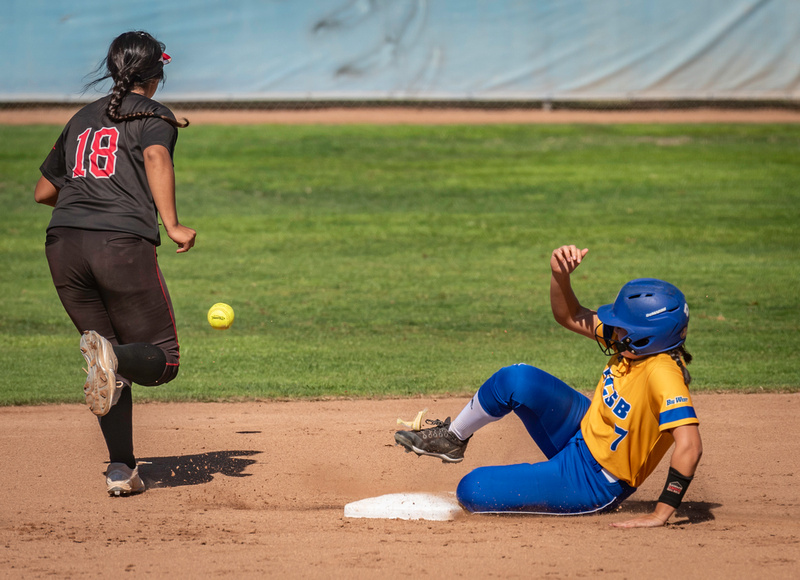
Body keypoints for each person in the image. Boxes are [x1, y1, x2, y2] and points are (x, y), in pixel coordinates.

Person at [395, 245, 702, 528]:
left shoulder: (663, 373)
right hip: (584, 427)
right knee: (516, 379)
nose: (613, 329)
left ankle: (558, 486)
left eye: (622, 326)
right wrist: (560, 277)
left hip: (591, 481)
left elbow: (689, 445)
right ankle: (453, 438)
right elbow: (569, 315)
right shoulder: (637, 345)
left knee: (472, 489)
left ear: (647, 335)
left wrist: (662, 512)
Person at [34, 31, 196, 497]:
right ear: (157, 73)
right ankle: (113, 359)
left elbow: (44, 191)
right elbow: (155, 155)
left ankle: (121, 469)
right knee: (162, 361)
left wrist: (87, 203)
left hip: (63, 245)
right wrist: (172, 223)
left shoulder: (82, 118)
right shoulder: (152, 113)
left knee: (105, 369)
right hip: (118, 246)